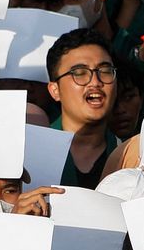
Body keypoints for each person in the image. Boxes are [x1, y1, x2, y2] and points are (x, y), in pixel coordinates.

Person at [46, 28, 120, 188]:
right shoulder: (31, 154)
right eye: (79, 73)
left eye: (105, 71)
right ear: (55, 90)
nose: (95, 82)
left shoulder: (133, 157)